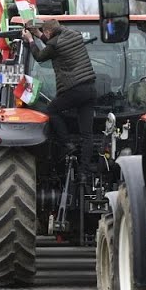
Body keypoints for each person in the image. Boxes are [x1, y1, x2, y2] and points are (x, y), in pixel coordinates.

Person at [22, 19, 97, 181]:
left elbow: (41, 56)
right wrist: (39, 34)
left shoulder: (54, 45)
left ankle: (67, 144)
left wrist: (30, 40)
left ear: (49, 32)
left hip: (74, 89)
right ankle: (84, 173)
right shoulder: (74, 35)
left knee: (51, 110)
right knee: (87, 134)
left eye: (45, 33)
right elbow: (54, 42)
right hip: (90, 89)